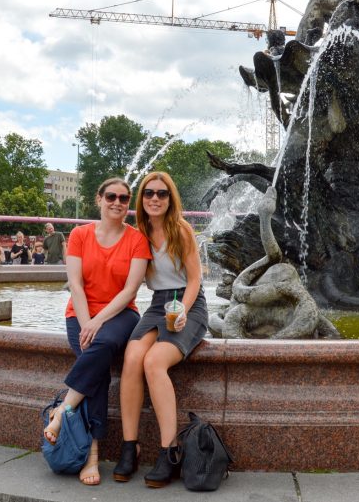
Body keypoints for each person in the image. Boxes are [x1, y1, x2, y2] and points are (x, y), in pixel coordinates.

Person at [43, 178, 150, 486]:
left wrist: (96, 321)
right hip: (79, 313)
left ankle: (63, 410)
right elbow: (75, 283)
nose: (118, 203)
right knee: (99, 369)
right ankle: (92, 453)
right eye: (112, 197)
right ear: (99, 199)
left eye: (124, 198)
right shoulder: (79, 235)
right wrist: (86, 318)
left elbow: (131, 289)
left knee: (100, 344)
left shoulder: (136, 239)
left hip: (121, 315)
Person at [115, 171, 208, 487]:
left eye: (162, 193)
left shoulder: (180, 231)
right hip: (157, 304)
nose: (155, 198)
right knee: (131, 359)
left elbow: (195, 279)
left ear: (171, 199)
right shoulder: (138, 233)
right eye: (149, 193)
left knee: (154, 362)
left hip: (188, 302)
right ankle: (130, 447)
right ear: (141, 199)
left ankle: (170, 451)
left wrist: (182, 307)